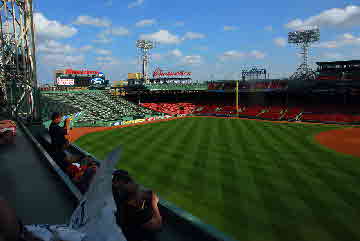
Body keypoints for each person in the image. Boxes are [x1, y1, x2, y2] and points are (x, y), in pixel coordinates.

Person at [112, 170, 162, 241]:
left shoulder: (121, 201)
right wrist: (154, 204)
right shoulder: (137, 213)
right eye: (138, 192)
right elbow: (158, 226)